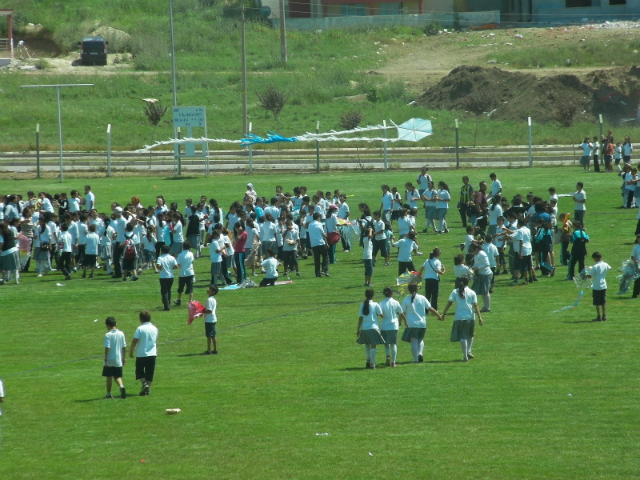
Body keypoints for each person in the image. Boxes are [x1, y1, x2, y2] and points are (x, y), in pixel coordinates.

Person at [439, 277, 484, 362]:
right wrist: (480, 317)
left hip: (459, 317)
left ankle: (465, 356)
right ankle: (468, 351)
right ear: (468, 283)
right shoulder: (472, 292)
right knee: (470, 335)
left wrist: (443, 313)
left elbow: (450, 302)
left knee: (463, 336)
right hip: (470, 317)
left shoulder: (455, 291)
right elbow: (476, 305)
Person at [400, 283, 442, 363]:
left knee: (414, 341)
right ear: (417, 289)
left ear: (408, 290)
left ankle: (415, 359)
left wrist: (399, 321)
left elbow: (402, 313)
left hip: (412, 324)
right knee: (420, 339)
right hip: (422, 323)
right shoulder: (422, 298)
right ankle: (420, 353)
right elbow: (430, 308)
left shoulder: (406, 299)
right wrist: (439, 315)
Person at [129, 310, 158, 396]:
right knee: (150, 372)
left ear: (140, 319)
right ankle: (148, 389)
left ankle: (144, 384)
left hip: (141, 353)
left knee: (139, 371)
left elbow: (135, 340)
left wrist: (131, 350)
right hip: (152, 353)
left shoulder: (140, 328)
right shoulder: (155, 328)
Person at [356, 289, 385, 369]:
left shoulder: (362, 305)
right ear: (373, 295)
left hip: (364, 328)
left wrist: (358, 329)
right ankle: (373, 363)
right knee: (373, 346)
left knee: (367, 344)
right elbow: (381, 315)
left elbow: (360, 318)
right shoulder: (375, 304)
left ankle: (368, 359)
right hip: (373, 328)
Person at [379, 286, 405, 368]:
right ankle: (393, 362)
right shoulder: (396, 302)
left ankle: (387, 355)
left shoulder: (381, 303)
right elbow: (401, 313)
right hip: (393, 326)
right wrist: (406, 322)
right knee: (394, 344)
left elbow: (381, 315)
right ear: (392, 293)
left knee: (386, 343)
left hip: (384, 326)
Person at [103, 317, 127, 399]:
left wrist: (106, 359)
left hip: (110, 359)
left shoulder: (108, 335)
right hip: (118, 359)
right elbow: (124, 347)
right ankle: (121, 386)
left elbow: (107, 348)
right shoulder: (121, 333)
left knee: (109, 376)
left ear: (108, 325)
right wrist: (124, 357)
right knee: (117, 376)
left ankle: (108, 393)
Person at [586, 252, 611, 322]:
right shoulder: (605, 264)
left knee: (597, 302)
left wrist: (586, 275)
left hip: (597, 285)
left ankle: (599, 316)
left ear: (596, 258)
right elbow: (609, 268)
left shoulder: (595, 266)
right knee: (603, 301)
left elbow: (590, 276)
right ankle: (604, 316)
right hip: (604, 285)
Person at [156, 245, 178, 311]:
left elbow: (158, 266)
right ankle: (168, 303)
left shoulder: (160, 258)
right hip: (171, 276)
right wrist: (171, 267)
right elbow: (176, 266)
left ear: (161, 251)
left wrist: (160, 266)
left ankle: (166, 306)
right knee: (169, 290)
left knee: (164, 292)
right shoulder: (172, 258)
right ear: (169, 251)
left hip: (163, 276)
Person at [307, 212, 329, 277]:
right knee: (325, 256)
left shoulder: (310, 225)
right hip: (320, 242)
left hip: (313, 243)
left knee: (317, 259)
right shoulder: (319, 224)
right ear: (318, 217)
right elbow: (323, 234)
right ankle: (324, 270)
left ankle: (317, 273)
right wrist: (326, 242)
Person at [175, 241, 195, 306]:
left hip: (182, 273)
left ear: (183, 247)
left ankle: (179, 300)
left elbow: (178, 264)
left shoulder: (180, 255)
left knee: (180, 287)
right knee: (190, 287)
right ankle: (190, 301)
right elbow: (192, 262)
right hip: (190, 272)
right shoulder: (191, 254)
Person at [203, 284, 219, 355]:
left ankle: (209, 350)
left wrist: (201, 311)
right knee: (213, 335)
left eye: (209, 289)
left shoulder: (209, 300)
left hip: (209, 319)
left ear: (213, 292)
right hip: (213, 319)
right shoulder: (213, 299)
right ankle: (215, 349)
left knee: (209, 335)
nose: (207, 290)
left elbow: (209, 310)